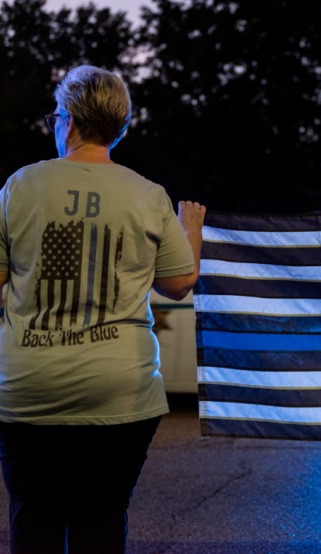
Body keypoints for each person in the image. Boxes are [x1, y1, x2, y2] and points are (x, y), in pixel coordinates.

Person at [0, 65, 206, 553]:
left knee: (35, 522)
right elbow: (179, 283)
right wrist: (189, 227)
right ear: (119, 127)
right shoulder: (147, 194)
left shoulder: (20, 186)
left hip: (29, 388)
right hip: (121, 393)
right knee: (102, 522)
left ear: (68, 121)